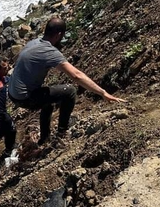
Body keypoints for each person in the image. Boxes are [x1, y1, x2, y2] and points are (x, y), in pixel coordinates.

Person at [8, 17, 125, 146]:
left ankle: (44, 138)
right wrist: (103, 93)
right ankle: (61, 133)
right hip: (25, 97)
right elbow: (76, 75)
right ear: (58, 35)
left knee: (48, 101)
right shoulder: (48, 51)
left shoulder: (33, 43)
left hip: (12, 93)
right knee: (69, 91)